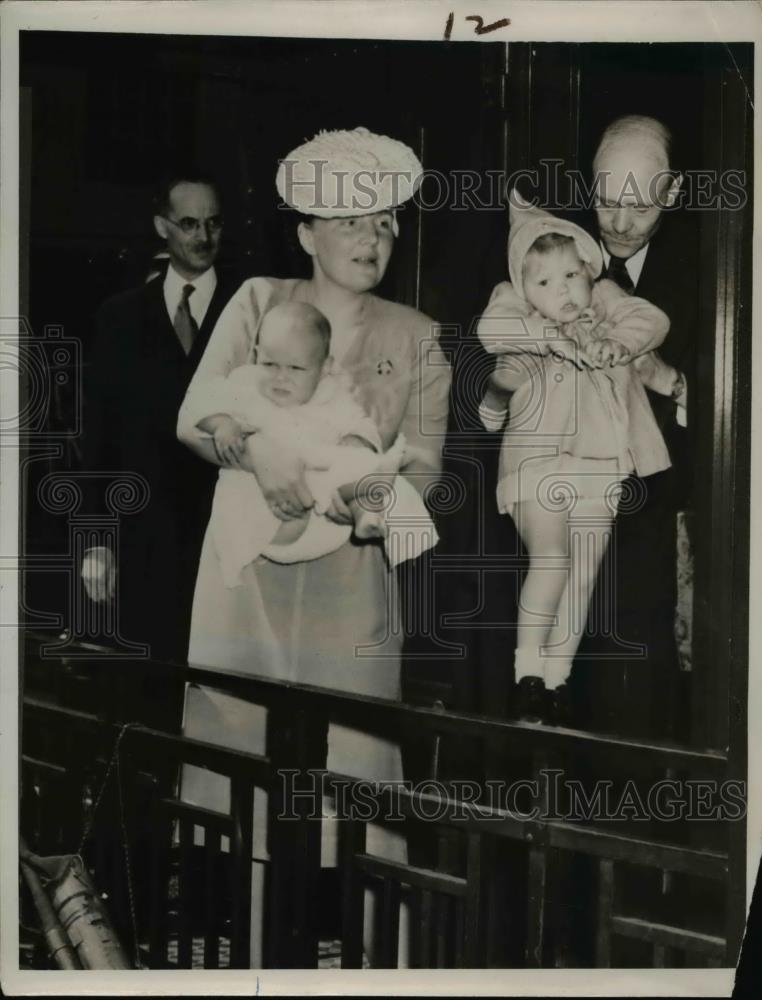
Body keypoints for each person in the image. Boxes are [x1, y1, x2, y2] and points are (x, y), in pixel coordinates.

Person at [176, 127, 451, 966]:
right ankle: (254, 965)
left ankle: (383, 974)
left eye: (386, 224)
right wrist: (259, 451)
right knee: (243, 780)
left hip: (350, 587)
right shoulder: (257, 299)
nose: (374, 240)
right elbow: (194, 415)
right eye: (353, 222)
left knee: (363, 794)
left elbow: (428, 464)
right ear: (306, 230)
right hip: (245, 579)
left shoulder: (416, 334)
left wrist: (384, 510)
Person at [481, 115, 692, 738]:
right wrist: (503, 385)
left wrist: (670, 379)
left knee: (632, 724)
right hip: (543, 486)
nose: (620, 223)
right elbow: (484, 388)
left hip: (648, 534)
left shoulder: (720, 265)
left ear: (673, 194)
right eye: (605, 200)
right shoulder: (543, 256)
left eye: (639, 205)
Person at [79, 172, 238, 679]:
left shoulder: (251, 309)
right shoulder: (119, 317)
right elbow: (99, 436)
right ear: (161, 227)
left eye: (213, 223)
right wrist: (97, 540)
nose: (202, 236)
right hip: (142, 537)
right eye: (188, 223)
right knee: (144, 687)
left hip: (228, 535)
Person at [191, 300, 437, 586]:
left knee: (348, 463)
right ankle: (371, 485)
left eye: (296, 368)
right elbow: (201, 403)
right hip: (263, 513)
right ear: (256, 356)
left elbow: (361, 424)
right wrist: (222, 423)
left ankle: (366, 510)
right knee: (327, 472)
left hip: (324, 521)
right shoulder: (246, 385)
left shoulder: (332, 394)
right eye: (270, 364)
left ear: (325, 368)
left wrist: (357, 442)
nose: (280, 377)